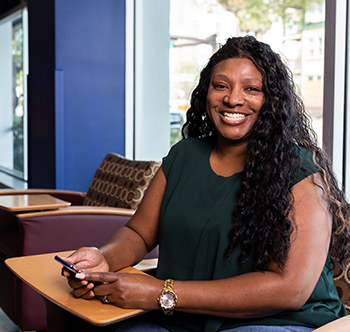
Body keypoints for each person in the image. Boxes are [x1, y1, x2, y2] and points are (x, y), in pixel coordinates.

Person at [63, 36, 350, 332]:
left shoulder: (299, 170)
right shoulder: (184, 155)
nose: (233, 99)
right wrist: (103, 258)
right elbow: (138, 233)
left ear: (272, 100)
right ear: (206, 92)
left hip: (276, 321)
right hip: (182, 313)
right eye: (221, 86)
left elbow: (290, 289)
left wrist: (162, 292)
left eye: (251, 89)